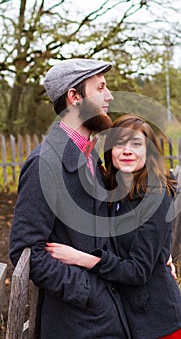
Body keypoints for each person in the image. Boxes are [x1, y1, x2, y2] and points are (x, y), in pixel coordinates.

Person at [9, 58, 131, 339]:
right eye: (100, 88)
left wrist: (158, 256)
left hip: (110, 310)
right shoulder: (44, 163)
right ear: (75, 98)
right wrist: (88, 290)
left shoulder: (90, 155)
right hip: (79, 323)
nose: (109, 95)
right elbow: (26, 251)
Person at [45, 114, 181, 339]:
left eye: (136, 144)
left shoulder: (156, 196)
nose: (127, 150)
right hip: (124, 318)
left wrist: (81, 258)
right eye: (119, 143)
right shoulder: (111, 190)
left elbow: (138, 271)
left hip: (158, 322)